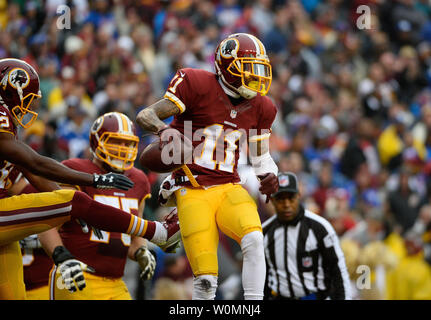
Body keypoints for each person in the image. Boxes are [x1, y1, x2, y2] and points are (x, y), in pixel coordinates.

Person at [0, 58, 179, 299]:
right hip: (77, 275)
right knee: (76, 200)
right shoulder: (2, 117)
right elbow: (35, 163)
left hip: (112, 278)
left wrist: (67, 209)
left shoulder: (137, 179)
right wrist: (94, 182)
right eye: (28, 98)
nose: (30, 106)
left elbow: (32, 175)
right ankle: (157, 231)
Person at [136, 33, 279, 300]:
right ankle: (170, 229)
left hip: (229, 185)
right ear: (227, 66)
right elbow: (146, 114)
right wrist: (163, 130)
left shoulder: (262, 106)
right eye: (249, 69)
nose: (257, 76)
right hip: (193, 187)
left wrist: (270, 175)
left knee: (255, 240)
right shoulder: (196, 83)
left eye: (260, 69)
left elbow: (261, 158)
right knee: (205, 279)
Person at [27, 112, 155, 300]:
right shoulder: (76, 171)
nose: (123, 149)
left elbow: (133, 236)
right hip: (78, 275)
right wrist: (61, 257)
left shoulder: (139, 180)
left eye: (127, 143)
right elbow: (47, 225)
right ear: (97, 141)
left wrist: (141, 251)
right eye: (116, 142)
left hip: (116, 282)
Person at [263, 172, 352, 300]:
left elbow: (338, 270)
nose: (286, 204)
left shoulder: (320, 227)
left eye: (291, 198)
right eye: (281, 199)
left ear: (299, 196)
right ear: (272, 200)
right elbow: (260, 276)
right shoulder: (264, 232)